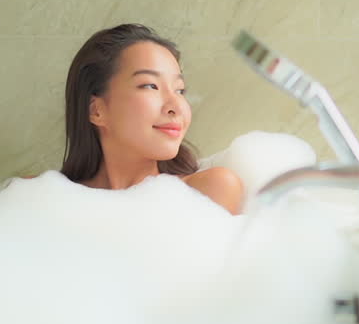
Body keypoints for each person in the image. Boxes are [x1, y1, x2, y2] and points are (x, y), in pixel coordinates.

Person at [60, 23, 244, 214]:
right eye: (150, 86)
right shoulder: (56, 203)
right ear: (96, 110)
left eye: (180, 90)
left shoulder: (209, 191)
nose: (177, 107)